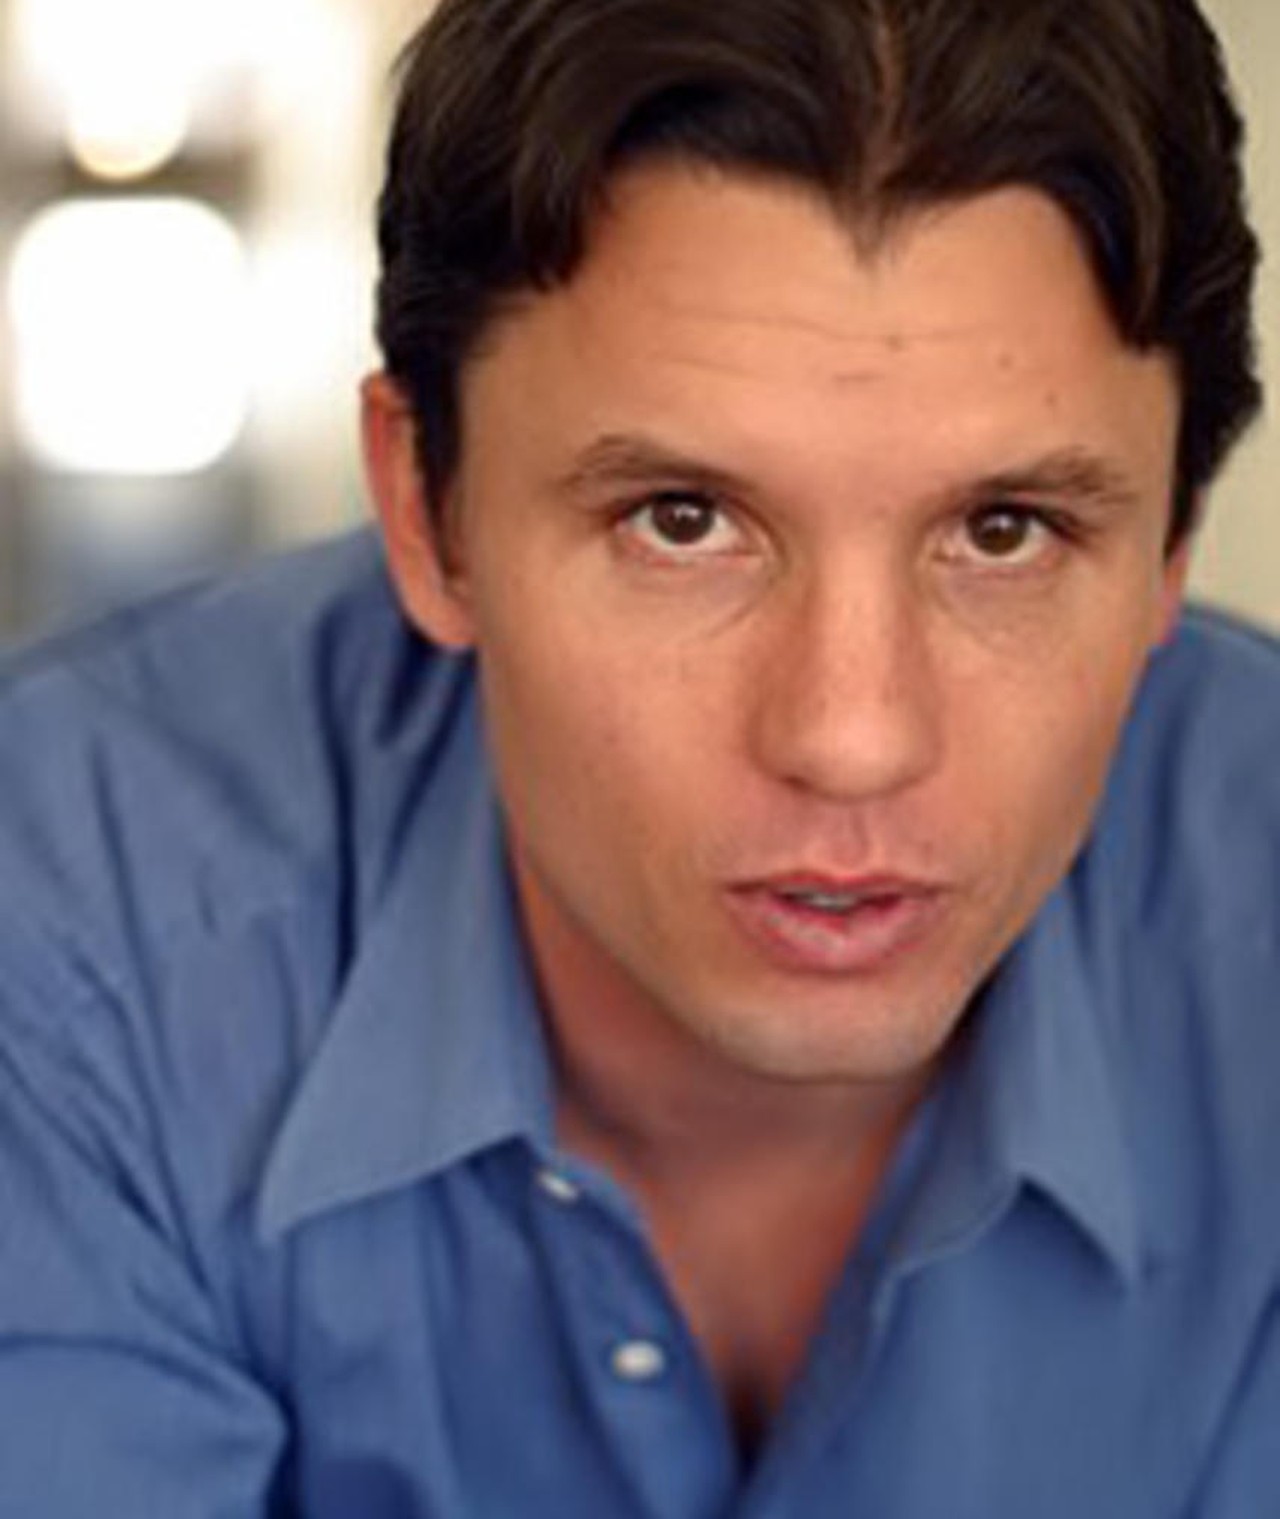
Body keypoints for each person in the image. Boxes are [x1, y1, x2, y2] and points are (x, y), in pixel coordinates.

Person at [0, 0, 1276, 1512]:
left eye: (1006, 532)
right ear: (428, 512)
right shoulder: (62, 923)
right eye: (683, 521)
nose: (852, 738)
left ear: (1170, 547)